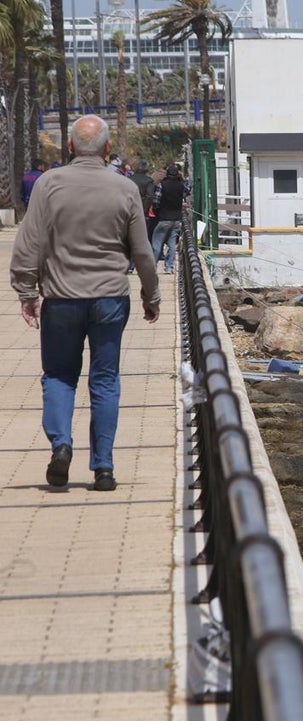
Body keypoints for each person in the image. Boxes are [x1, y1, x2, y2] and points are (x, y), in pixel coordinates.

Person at [10, 115, 160, 491]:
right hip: (110, 297)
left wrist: (27, 292)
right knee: (105, 379)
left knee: (59, 376)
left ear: (71, 147)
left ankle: (62, 445)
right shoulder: (124, 189)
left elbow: (29, 244)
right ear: (108, 148)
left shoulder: (49, 185)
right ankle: (104, 468)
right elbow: (142, 251)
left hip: (61, 298)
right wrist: (150, 295)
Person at [151, 164, 187, 274]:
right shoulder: (181, 185)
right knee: (172, 243)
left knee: (157, 242)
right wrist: (181, 178)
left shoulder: (162, 185)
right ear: (177, 174)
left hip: (164, 217)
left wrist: (158, 211)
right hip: (177, 219)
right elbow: (188, 189)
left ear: (167, 173)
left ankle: (152, 267)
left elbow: (156, 201)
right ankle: (169, 267)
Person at [130, 159, 158, 242]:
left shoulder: (128, 179)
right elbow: (150, 196)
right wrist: (145, 209)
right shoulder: (149, 181)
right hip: (142, 210)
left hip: (129, 208)